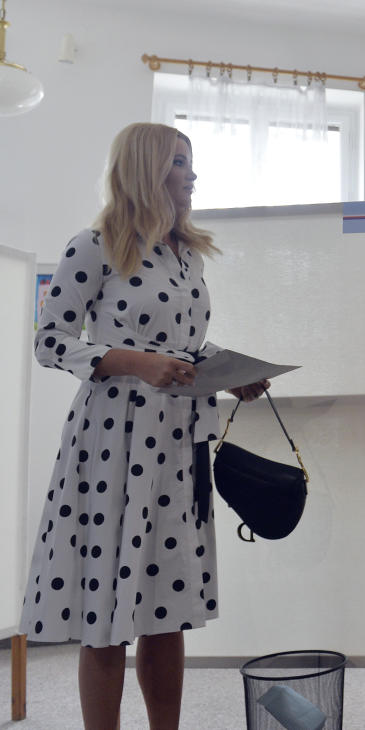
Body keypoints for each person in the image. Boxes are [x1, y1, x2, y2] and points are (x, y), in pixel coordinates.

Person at [19, 122, 268, 729]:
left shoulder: (186, 254)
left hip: (180, 442)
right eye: (181, 162)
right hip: (113, 443)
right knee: (106, 609)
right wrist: (133, 362)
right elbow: (48, 340)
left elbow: (184, 343)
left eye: (191, 162)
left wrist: (226, 372)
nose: (192, 175)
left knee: (168, 608)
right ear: (148, 168)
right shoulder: (93, 245)